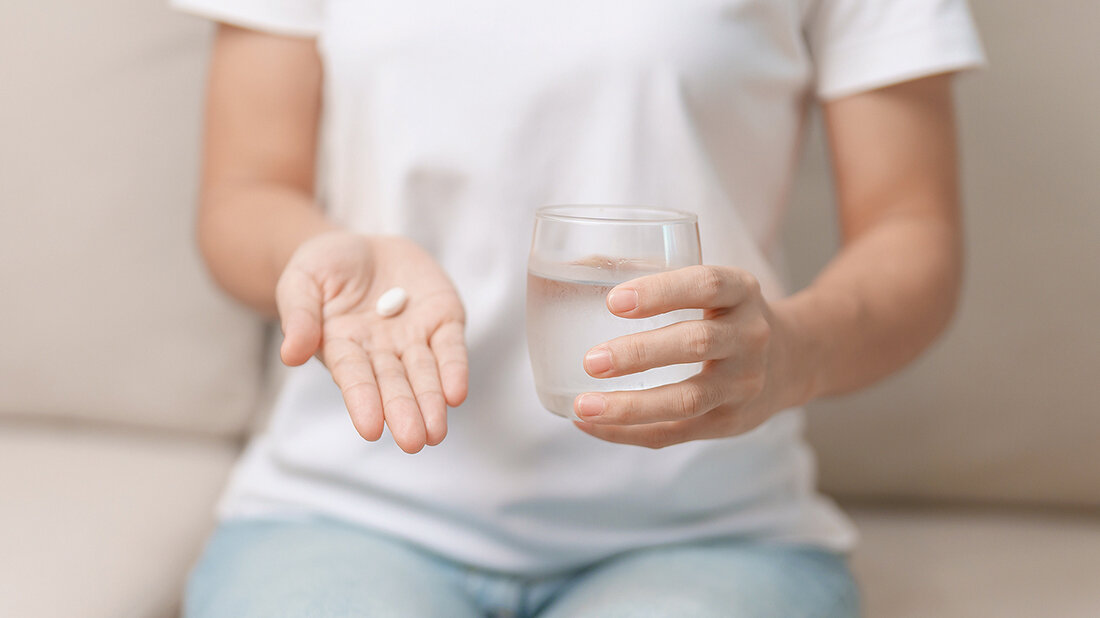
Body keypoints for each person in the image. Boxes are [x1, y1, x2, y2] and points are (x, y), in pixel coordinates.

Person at [174, 0, 984, 616]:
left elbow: (911, 231)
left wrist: (792, 352)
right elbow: (245, 195)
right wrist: (310, 257)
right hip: (346, 509)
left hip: (708, 525)